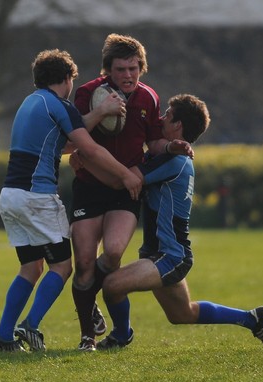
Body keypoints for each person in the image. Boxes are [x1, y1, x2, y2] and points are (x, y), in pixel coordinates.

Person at [87, 93, 263, 349]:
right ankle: (252, 319)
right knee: (182, 314)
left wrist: (87, 158)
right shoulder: (173, 155)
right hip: (164, 254)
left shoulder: (173, 160)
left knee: (113, 285)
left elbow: (126, 178)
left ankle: (121, 336)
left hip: (169, 256)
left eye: (167, 115)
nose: (161, 118)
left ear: (177, 126)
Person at [0, 49, 142, 352]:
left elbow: (65, 139)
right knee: (61, 267)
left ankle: (2, 337)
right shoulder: (60, 105)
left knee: (31, 269)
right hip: (37, 197)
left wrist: (97, 114)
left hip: (10, 196)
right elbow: (90, 148)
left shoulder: (30, 102)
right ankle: (30, 326)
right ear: (67, 78)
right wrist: (126, 176)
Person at [69, 33, 193, 351]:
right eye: (120, 69)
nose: (127, 75)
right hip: (89, 186)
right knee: (83, 260)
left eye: (133, 68)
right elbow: (70, 141)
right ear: (107, 70)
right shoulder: (87, 94)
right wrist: (101, 113)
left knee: (112, 252)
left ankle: (87, 297)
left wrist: (174, 145)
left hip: (125, 190)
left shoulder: (148, 98)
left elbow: (154, 144)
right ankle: (87, 336)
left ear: (141, 68)